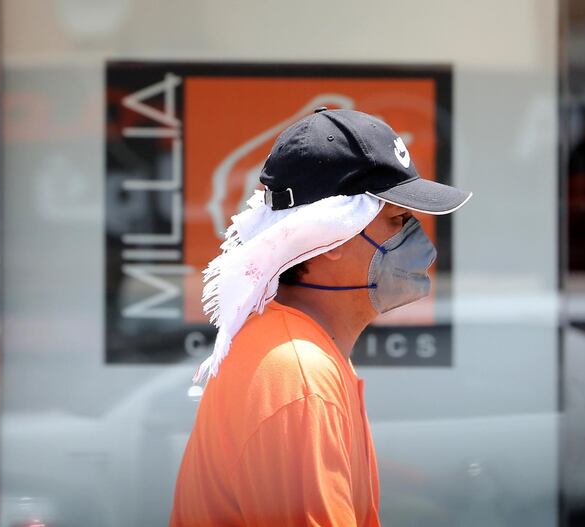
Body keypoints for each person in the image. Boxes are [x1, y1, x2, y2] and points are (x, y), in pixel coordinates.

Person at [169, 107, 472, 526]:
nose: (416, 235)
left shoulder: (304, 352)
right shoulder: (298, 372)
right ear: (329, 237)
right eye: (398, 218)